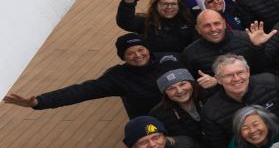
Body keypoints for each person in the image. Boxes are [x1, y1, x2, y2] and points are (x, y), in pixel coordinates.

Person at [4, 33, 165, 118]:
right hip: (150, 122)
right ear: (123, 57)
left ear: (148, 50)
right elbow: (81, 91)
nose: (137, 55)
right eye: (130, 53)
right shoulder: (118, 77)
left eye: (141, 50)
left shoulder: (170, 60)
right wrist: (38, 101)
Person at [116, 0, 195, 55]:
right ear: (156, 5)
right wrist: (129, 2)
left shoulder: (188, 20)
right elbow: (125, 22)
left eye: (173, 4)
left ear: (179, 6)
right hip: (156, 67)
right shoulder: (147, 22)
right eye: (164, 4)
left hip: (184, 64)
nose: (169, 7)